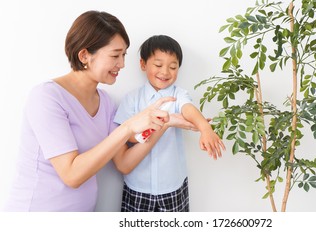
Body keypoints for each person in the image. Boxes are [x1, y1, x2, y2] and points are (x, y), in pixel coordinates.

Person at [3, 11, 194, 212]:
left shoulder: (105, 103)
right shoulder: (46, 97)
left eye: (123, 55)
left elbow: (124, 163)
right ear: (84, 55)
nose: (121, 64)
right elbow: (71, 175)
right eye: (115, 55)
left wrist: (163, 122)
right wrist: (129, 126)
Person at [113, 34, 226, 212]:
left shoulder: (178, 95)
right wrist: (160, 124)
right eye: (158, 65)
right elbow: (129, 138)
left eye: (173, 67)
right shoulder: (132, 99)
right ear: (143, 64)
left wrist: (205, 128)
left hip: (172, 186)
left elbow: (188, 109)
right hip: (138, 188)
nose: (165, 72)